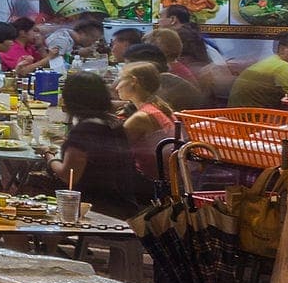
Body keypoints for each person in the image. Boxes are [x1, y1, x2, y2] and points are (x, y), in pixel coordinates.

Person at [53, 71, 149, 217]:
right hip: (124, 202)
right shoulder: (113, 123)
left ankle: (42, 237)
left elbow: (69, 175)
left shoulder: (84, 130)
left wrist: (49, 158)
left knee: (32, 185)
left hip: (96, 205)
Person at [117, 62, 175, 178]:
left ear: (134, 81)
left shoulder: (140, 118)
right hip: (167, 179)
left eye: (120, 80)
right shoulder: (159, 107)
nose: (117, 87)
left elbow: (113, 150)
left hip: (149, 182)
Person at [228, 31, 288, 109]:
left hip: (238, 117)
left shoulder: (271, 62)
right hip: (254, 120)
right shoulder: (283, 67)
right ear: (283, 50)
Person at [122, 41, 208, 112]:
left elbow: (145, 111)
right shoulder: (163, 78)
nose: (124, 69)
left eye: (127, 65)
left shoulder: (163, 85)